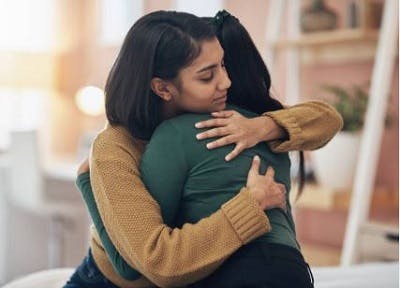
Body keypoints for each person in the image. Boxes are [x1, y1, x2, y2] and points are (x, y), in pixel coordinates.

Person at [64, 10, 342, 288]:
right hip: (108, 281)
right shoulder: (115, 148)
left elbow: (327, 119)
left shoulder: (223, 119)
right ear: (163, 88)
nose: (226, 82)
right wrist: (250, 204)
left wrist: (261, 127)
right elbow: (151, 264)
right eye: (207, 76)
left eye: (223, 65)